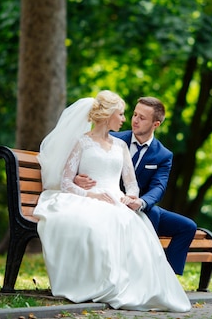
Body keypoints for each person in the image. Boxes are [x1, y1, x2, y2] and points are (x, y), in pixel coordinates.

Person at [33, 90, 191, 312]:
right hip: (91, 197)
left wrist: (132, 197)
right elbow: (67, 179)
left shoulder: (137, 149)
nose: (130, 120)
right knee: (101, 223)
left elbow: (138, 183)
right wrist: (84, 187)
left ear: (155, 124)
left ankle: (147, 283)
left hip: (121, 199)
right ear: (109, 115)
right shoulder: (85, 141)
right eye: (128, 114)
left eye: (139, 117)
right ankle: (102, 284)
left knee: (137, 224)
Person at [75, 96, 197, 276]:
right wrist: (77, 178)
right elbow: (88, 164)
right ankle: (145, 273)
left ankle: (167, 277)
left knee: (187, 226)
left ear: (155, 124)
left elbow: (159, 186)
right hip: (109, 202)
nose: (135, 120)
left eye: (142, 118)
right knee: (152, 214)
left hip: (142, 205)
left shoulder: (163, 155)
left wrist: (141, 202)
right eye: (134, 115)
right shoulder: (112, 138)